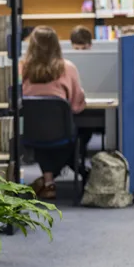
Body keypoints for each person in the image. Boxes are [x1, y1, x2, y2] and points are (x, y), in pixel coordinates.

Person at [21, 26, 86, 199]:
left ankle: (48, 181)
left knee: (42, 131)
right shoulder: (68, 68)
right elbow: (75, 106)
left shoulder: (22, 68)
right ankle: (80, 172)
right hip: (62, 132)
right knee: (80, 131)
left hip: (30, 131)